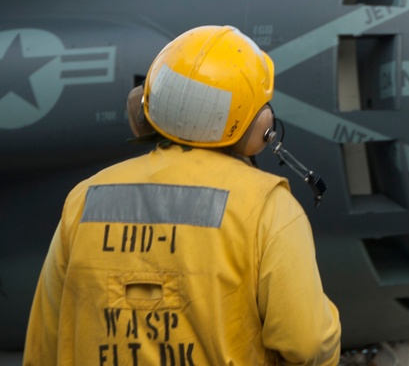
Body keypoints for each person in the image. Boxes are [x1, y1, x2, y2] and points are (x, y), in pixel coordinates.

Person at [24, 25, 341, 365]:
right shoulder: (268, 208)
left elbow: (43, 346)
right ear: (260, 127)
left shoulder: (86, 200)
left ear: (145, 108)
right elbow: (308, 344)